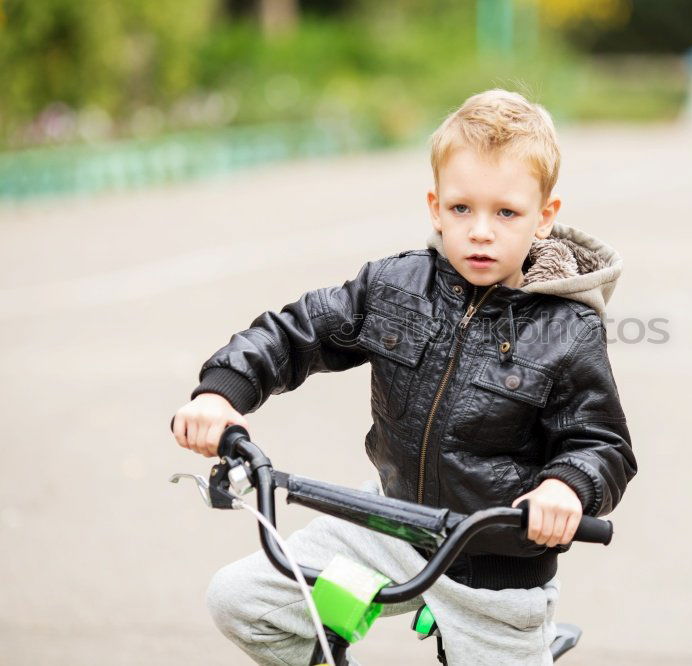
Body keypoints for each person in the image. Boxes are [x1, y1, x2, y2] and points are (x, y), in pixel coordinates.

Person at [171, 88, 638, 665]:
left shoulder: (564, 329)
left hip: (494, 571)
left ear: (544, 218)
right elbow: (301, 331)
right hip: (390, 525)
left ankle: (533, 643)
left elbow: (601, 443)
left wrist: (566, 487)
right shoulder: (395, 287)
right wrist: (222, 391)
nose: (481, 231)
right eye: (462, 208)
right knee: (241, 600)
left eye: (507, 212)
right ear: (435, 207)